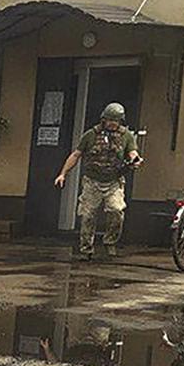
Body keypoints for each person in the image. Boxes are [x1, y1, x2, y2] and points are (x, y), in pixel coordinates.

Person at [55, 102, 141, 260]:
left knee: (116, 211)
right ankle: (86, 248)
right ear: (104, 119)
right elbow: (76, 154)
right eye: (109, 120)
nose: (112, 123)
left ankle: (110, 241)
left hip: (114, 181)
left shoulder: (126, 136)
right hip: (92, 181)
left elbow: (132, 151)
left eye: (116, 120)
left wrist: (134, 159)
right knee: (88, 215)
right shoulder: (91, 135)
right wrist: (63, 174)